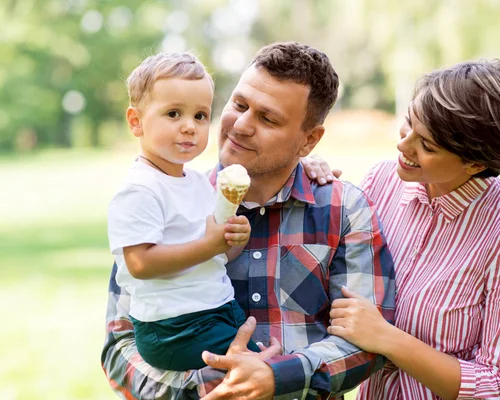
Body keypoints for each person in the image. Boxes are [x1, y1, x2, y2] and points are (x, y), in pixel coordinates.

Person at [101, 42, 396, 399]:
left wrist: (276, 378)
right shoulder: (174, 198)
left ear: (309, 141)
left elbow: (366, 344)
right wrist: (219, 388)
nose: (240, 126)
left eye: (267, 118)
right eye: (238, 105)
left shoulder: (343, 209)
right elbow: (120, 347)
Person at [302, 59, 500, 399]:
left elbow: (499, 384)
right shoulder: (380, 181)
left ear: (475, 163)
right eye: (409, 123)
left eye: (427, 146)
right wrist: (309, 179)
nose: (404, 145)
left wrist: (386, 337)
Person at [107, 52, 261, 372]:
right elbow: (140, 263)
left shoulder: (199, 183)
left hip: (216, 310)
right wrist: (210, 245)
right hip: (173, 328)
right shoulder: (141, 189)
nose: (190, 127)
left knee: (268, 363)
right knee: (263, 370)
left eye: (201, 116)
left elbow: (217, 256)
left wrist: (234, 240)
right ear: (136, 121)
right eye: (174, 113)